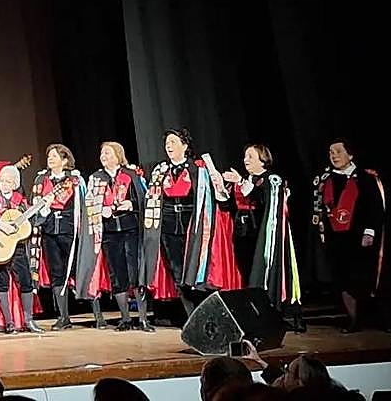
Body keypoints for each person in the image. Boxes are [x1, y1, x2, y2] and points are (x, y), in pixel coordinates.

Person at [142, 128, 238, 318]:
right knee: (177, 272)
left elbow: (219, 198)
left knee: (196, 270)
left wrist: (219, 184)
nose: (168, 146)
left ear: (185, 146)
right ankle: (191, 316)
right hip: (169, 226)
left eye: (173, 142)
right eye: (167, 143)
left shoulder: (198, 168)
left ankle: (208, 314)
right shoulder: (160, 170)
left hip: (193, 226)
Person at [222, 144, 305, 331]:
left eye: (250, 156)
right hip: (243, 234)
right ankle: (260, 315)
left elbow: (265, 201)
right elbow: (229, 206)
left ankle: (289, 314)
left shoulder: (271, 179)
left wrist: (242, 182)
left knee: (272, 272)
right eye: (245, 156)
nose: (246, 160)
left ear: (262, 159)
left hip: (265, 237)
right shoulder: (245, 180)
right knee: (249, 275)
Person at [311, 139, 390, 333]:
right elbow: (320, 208)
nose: (334, 156)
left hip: (361, 238)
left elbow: (374, 208)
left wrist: (369, 232)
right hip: (337, 238)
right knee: (343, 280)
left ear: (351, 155)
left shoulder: (365, 178)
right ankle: (353, 320)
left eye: (338, 151)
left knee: (366, 280)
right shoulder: (325, 179)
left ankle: (384, 320)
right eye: (331, 152)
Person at [76, 141, 152, 332]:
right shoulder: (96, 178)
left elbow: (143, 200)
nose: (104, 156)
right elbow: (89, 204)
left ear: (118, 155)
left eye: (108, 153)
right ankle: (125, 319)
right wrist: (101, 210)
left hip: (130, 228)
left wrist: (131, 205)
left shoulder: (131, 174)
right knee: (117, 274)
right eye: (102, 153)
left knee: (135, 272)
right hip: (109, 231)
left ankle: (142, 319)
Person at [27, 144, 87, 330]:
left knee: (80, 268)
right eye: (49, 156)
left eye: (54, 156)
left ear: (65, 160)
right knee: (57, 273)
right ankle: (63, 316)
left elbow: (83, 205)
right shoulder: (41, 180)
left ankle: (97, 313)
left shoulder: (75, 180)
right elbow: (34, 206)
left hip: (71, 231)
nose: (50, 158)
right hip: (50, 231)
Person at [0, 165, 43, 334]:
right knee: (1, 283)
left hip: (17, 247)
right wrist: (0, 225)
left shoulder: (20, 201)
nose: (5, 184)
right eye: (3, 180)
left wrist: (43, 209)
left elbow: (32, 220)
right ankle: (8, 321)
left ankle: (28, 320)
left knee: (26, 282)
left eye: (9, 181)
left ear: (15, 183)